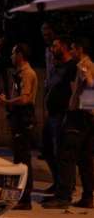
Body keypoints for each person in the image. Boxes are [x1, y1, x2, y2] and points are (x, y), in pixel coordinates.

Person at [42, 36, 94, 209]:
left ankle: (63, 196)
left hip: (79, 117)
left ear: (80, 49)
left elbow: (90, 85)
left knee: (67, 155)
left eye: (73, 48)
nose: (71, 52)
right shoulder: (89, 64)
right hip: (86, 118)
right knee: (85, 158)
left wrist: (84, 106)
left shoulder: (83, 65)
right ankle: (88, 196)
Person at [0, 43, 38, 210]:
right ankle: (20, 195)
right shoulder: (19, 74)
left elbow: (25, 99)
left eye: (13, 53)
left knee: (23, 159)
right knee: (19, 157)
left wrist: (7, 102)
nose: (11, 57)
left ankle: (25, 197)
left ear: (20, 54)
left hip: (24, 118)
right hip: (18, 117)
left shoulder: (27, 73)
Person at [40, 36, 77, 195]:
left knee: (61, 152)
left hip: (62, 115)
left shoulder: (72, 67)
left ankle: (66, 187)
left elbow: (74, 91)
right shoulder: (56, 67)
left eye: (55, 46)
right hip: (52, 114)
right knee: (47, 149)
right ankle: (57, 182)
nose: (52, 49)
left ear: (64, 47)